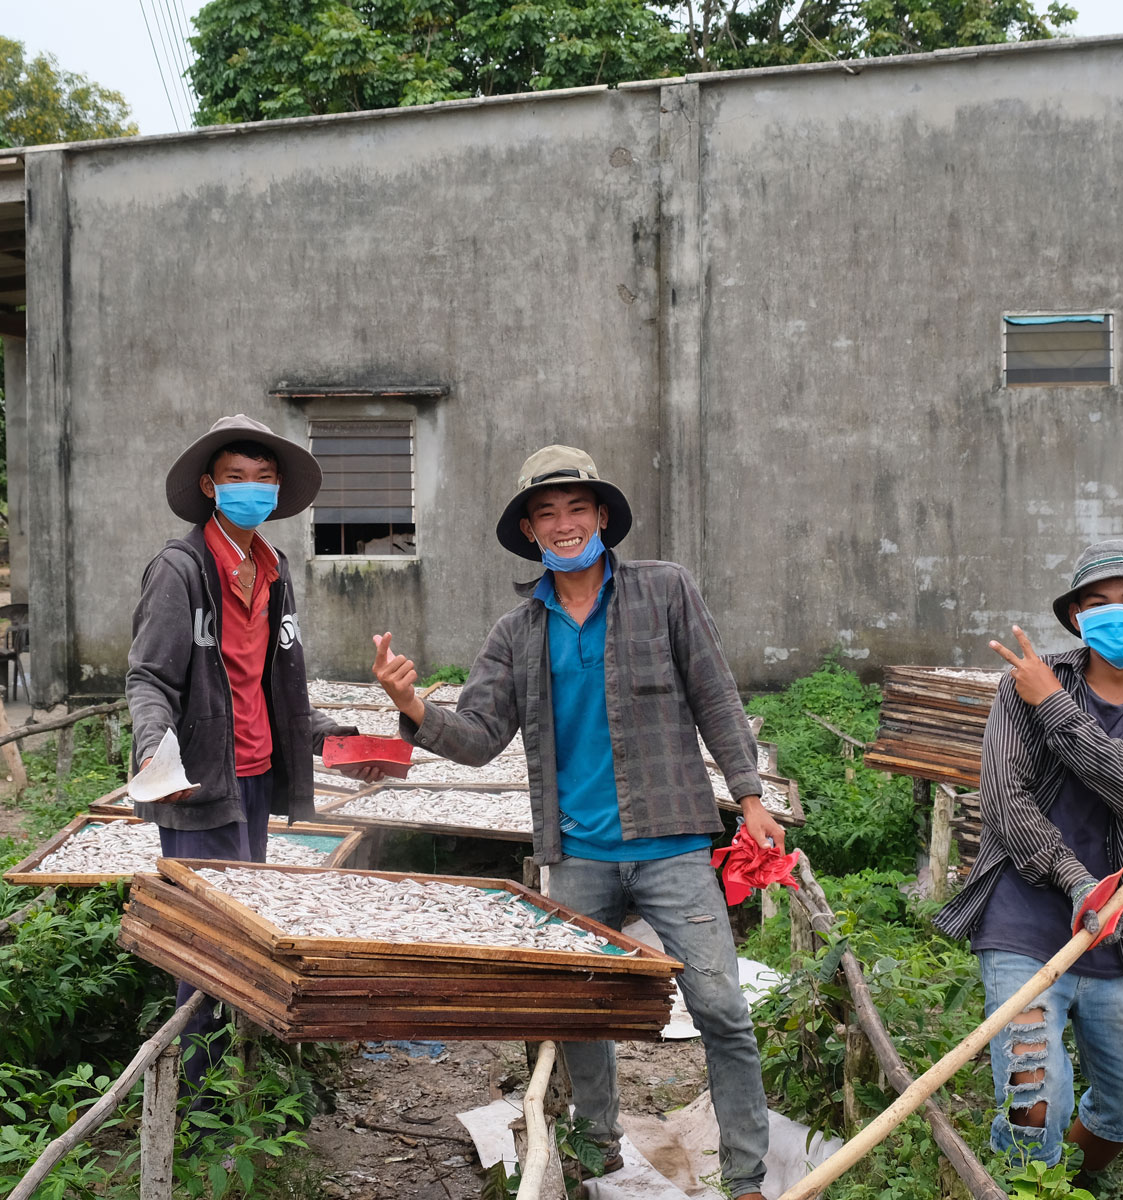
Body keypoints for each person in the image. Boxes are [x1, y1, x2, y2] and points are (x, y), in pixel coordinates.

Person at [364, 446, 779, 1200]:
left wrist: (750, 796)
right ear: (530, 530)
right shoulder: (517, 631)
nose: (563, 524)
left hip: (674, 844)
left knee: (721, 1008)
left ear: (600, 518)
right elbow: (480, 736)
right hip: (577, 852)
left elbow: (716, 695)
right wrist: (415, 708)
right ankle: (599, 1156)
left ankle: (747, 1178)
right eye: (546, 513)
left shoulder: (664, 592)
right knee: (581, 1013)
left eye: (576, 509)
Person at [933, 539, 1123, 1177]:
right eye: (1098, 603)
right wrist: (1076, 880)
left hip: (1111, 930)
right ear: (1077, 617)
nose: (1116, 615)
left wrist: (1054, 709)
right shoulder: (1022, 685)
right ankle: (1034, 1182)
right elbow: (1004, 801)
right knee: (1035, 1103)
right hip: (1023, 917)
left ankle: (1065, 1184)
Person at [126, 413, 358, 1092]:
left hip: (255, 778)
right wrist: (153, 750)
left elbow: (276, 681)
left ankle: (229, 1085)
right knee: (207, 951)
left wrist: (328, 735)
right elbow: (149, 677)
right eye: (235, 479)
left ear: (277, 488)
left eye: (262, 479)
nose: (250, 490)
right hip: (196, 787)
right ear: (210, 486)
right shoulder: (180, 570)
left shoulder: (274, 568)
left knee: (245, 938)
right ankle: (196, 1111)